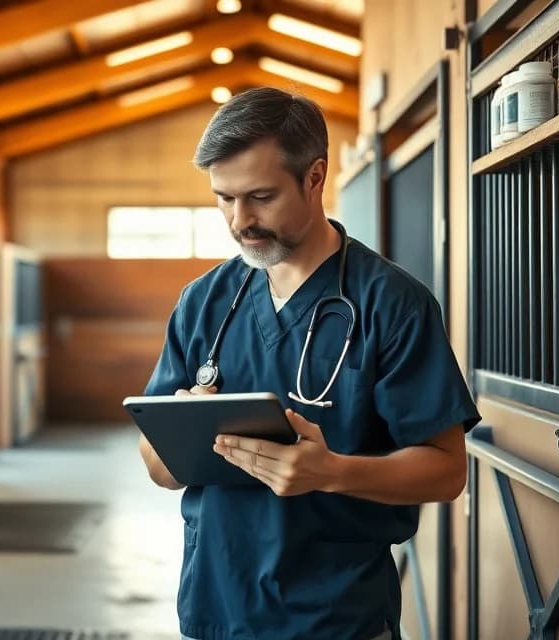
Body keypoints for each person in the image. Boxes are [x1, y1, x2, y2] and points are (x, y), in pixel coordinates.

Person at [138, 87, 481, 640]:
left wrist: (333, 472)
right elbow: (156, 466)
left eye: (260, 197)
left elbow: (446, 470)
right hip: (215, 610)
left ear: (315, 176)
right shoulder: (203, 302)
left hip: (336, 616)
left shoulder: (391, 304)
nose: (239, 221)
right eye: (224, 198)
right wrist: (184, 432)